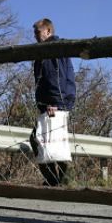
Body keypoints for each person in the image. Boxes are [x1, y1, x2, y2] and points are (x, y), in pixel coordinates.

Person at [29, 18, 76, 186]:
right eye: (34, 32)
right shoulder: (47, 50)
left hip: (55, 104)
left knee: (39, 139)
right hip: (52, 103)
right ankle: (59, 180)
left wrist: (55, 102)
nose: (35, 36)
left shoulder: (52, 49)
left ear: (48, 31)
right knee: (51, 141)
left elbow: (57, 77)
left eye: (37, 32)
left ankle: (58, 180)